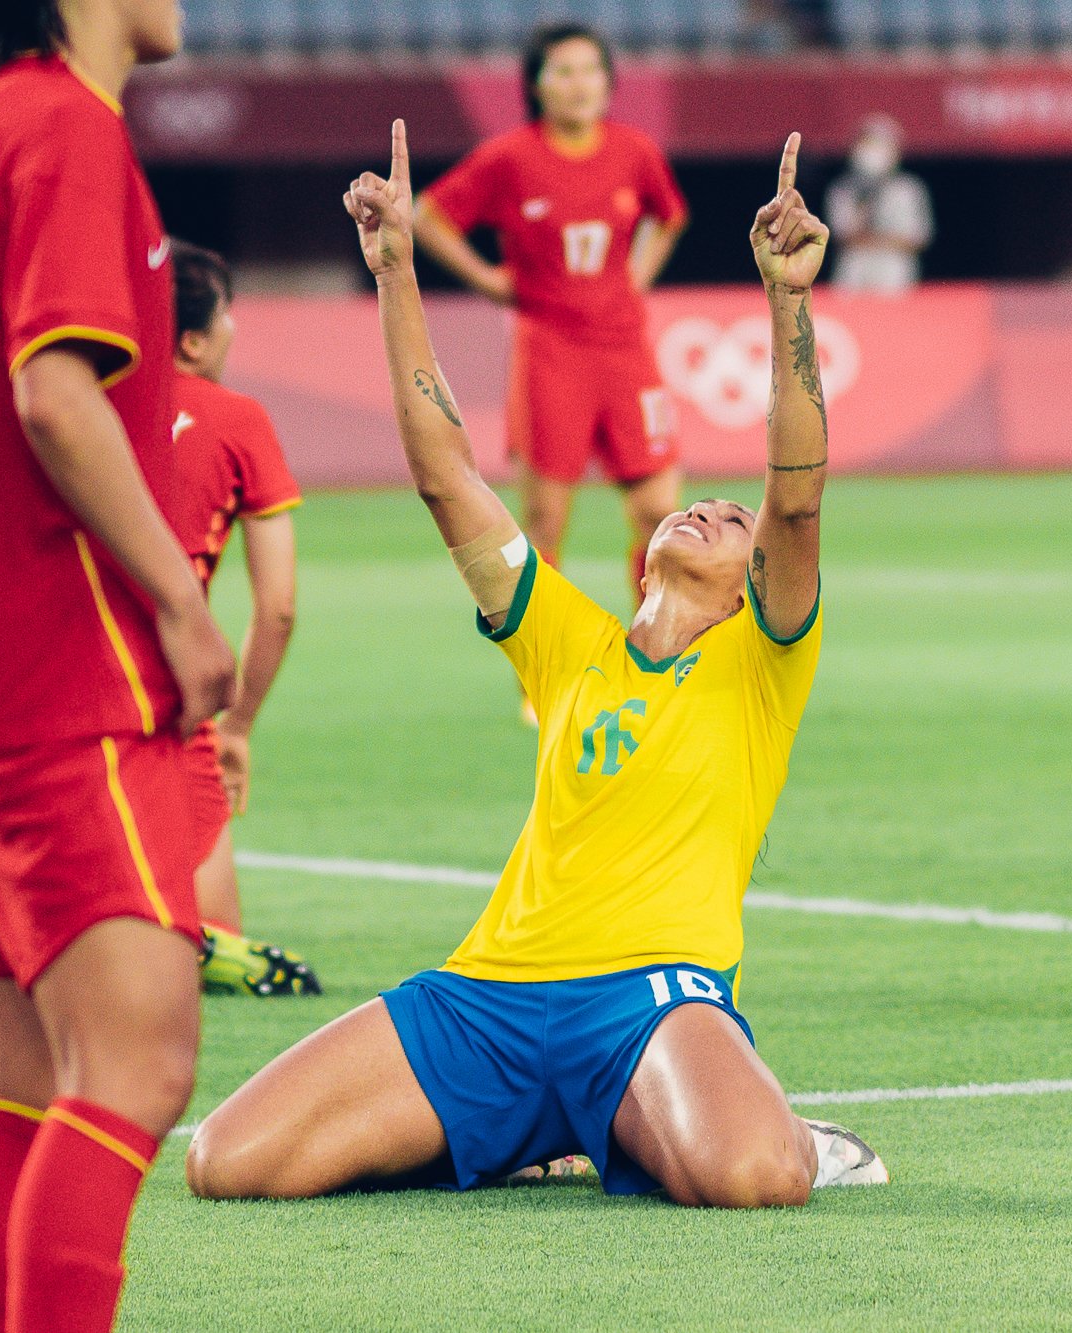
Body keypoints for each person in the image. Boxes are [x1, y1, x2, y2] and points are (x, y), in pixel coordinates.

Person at [184, 125, 885, 1207]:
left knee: (754, 1177)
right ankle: (557, 1125)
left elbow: (795, 494)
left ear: (755, 581)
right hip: (490, 994)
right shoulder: (567, 640)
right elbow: (445, 475)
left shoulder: (762, 662)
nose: (709, 504)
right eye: (699, 502)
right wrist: (397, 272)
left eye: (729, 518)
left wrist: (786, 298)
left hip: (651, 999)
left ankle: (769, 1121)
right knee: (227, 1163)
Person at [0, 2, 235, 1330]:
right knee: (136, 1067)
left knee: (24, 1082)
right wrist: (182, 604)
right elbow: (52, 393)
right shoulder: (65, 135)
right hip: (69, 688)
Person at [413, 22, 688, 620]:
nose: (579, 83)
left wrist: (637, 277)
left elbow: (669, 215)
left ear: (610, 82)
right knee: (545, 523)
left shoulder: (634, 150)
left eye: (590, 69)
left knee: (660, 512)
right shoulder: (511, 158)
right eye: (562, 70)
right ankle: (542, 677)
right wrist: (487, 280)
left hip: (626, 349)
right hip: (551, 350)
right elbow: (427, 215)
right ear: (537, 85)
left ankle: (655, 643)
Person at [165, 241, 321, 997]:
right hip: (165, 677)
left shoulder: (68, 401)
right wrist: (238, 725)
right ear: (194, 338)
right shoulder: (235, 419)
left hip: (42, 670)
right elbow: (279, 605)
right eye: (226, 316)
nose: (232, 330)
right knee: (212, 948)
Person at [825, 115, 932, 296]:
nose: (873, 152)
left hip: (894, 268)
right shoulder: (843, 188)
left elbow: (917, 238)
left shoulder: (908, 190)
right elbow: (843, 235)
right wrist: (868, 195)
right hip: (855, 266)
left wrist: (875, 241)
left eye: (880, 145)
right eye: (868, 144)